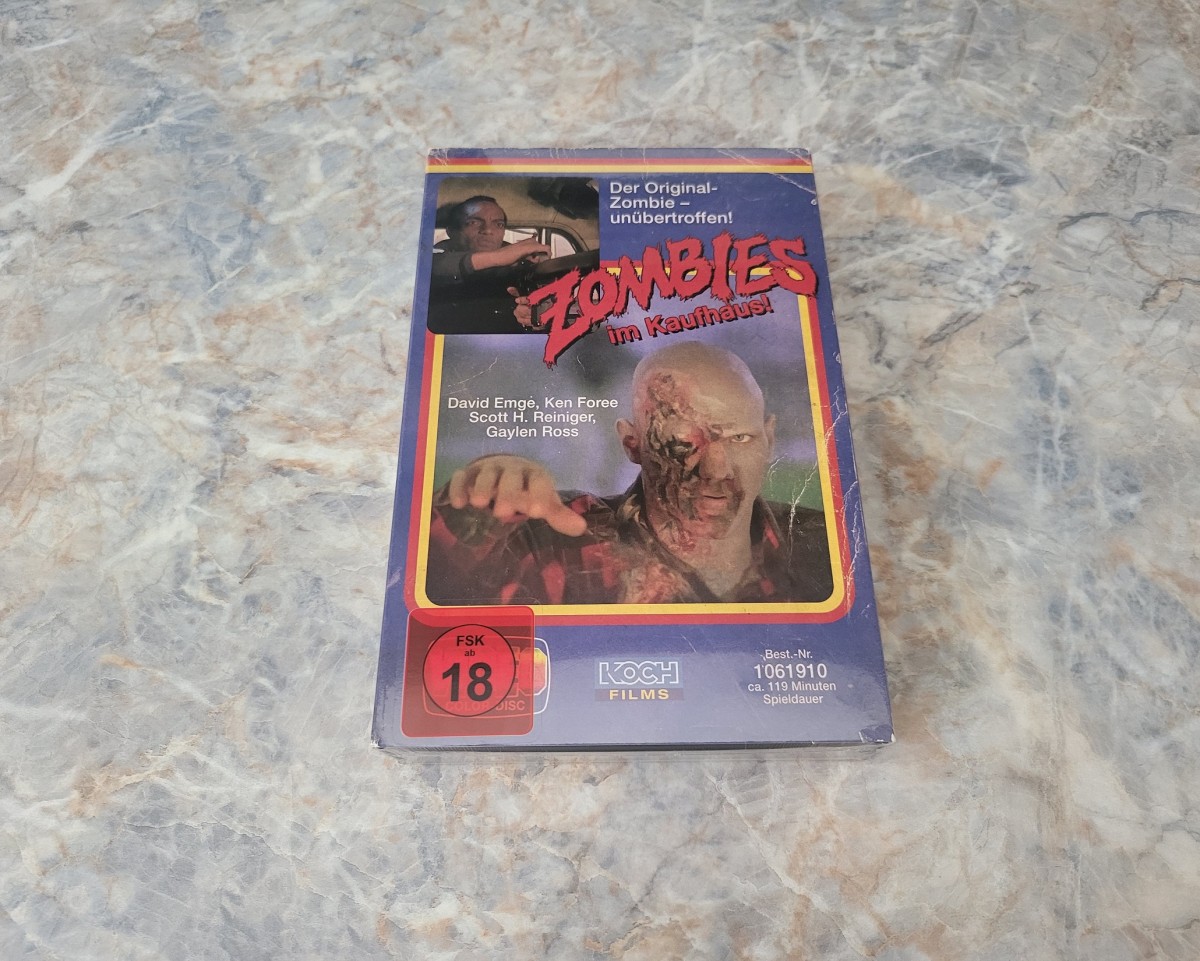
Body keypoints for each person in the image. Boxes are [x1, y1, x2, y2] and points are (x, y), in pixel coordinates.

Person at [426, 342, 835, 605]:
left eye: (740, 438)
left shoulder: (818, 546)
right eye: (683, 442)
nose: (716, 467)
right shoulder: (564, 549)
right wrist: (482, 497)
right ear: (634, 442)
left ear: (768, 438)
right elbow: (446, 565)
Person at [431, 196, 550, 289]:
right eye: (474, 222)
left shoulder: (516, 261)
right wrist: (502, 256)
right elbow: (436, 265)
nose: (488, 230)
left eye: (498, 224)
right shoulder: (435, 259)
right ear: (452, 232)